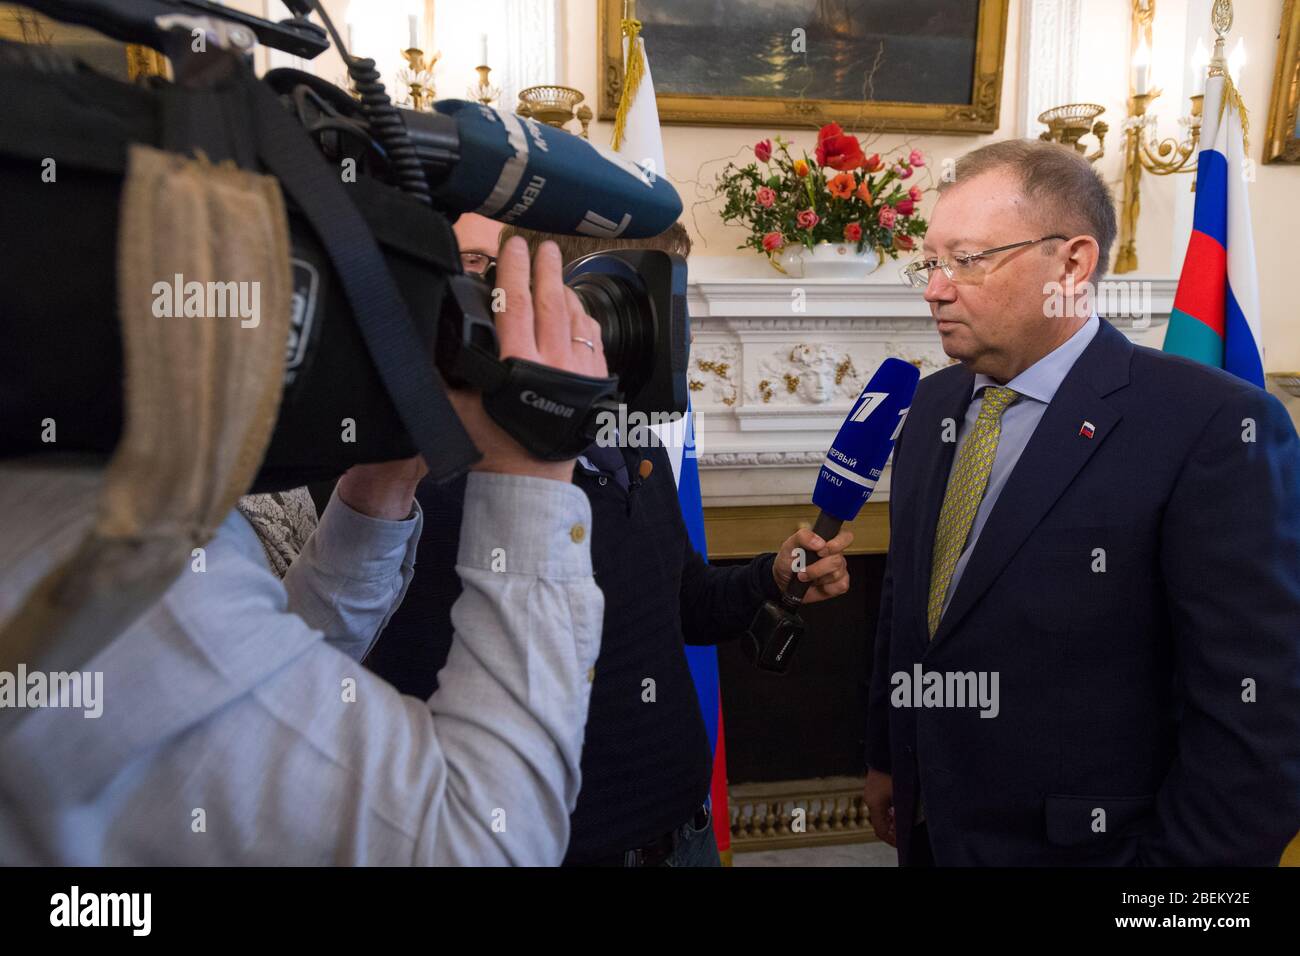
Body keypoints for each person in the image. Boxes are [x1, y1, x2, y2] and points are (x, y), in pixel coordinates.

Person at [0, 237, 611, 865]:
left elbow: (268, 676)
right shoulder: (108, 553)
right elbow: (482, 842)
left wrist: (380, 488)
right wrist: (529, 469)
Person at [365, 215, 855, 866]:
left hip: (685, 828)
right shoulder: (437, 469)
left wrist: (773, 575)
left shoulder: (636, 440)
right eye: (650, 306)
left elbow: (684, 599)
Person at [862, 139, 1300, 866]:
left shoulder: (1212, 425)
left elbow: (1259, 715)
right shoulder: (934, 400)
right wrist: (888, 754)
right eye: (930, 262)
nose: (934, 289)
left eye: (966, 261)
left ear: (1071, 264)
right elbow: (908, 607)